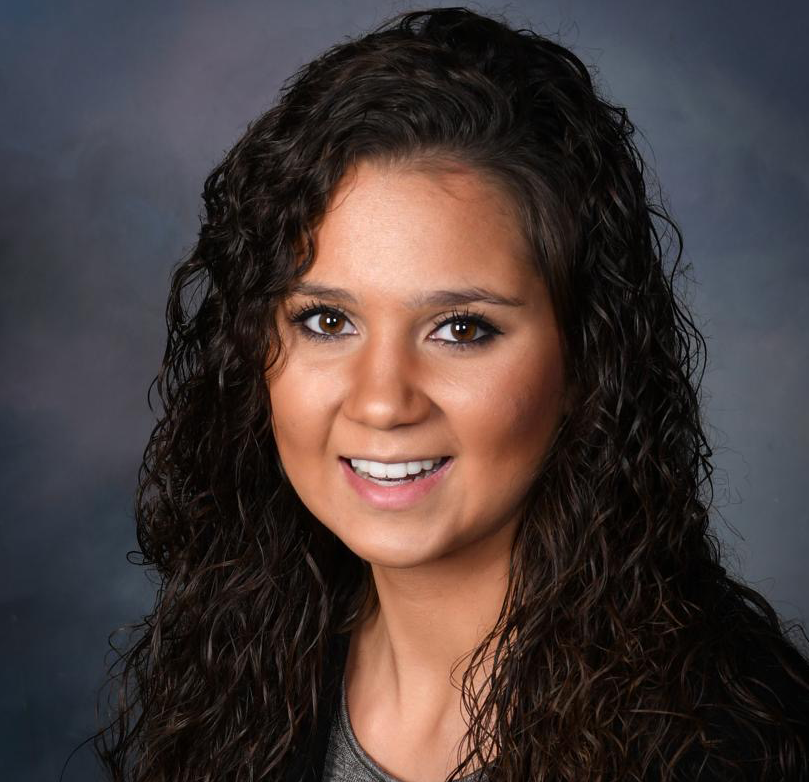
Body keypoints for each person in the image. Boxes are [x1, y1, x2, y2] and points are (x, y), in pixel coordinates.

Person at [89, 6, 809, 782]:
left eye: (460, 329)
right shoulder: (241, 661)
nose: (381, 401)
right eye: (327, 320)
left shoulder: (728, 747)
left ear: (585, 360)